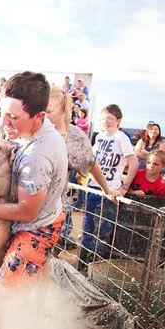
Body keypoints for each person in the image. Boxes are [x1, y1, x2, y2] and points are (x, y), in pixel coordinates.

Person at [0, 72, 67, 293]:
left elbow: (26, 212)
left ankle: (15, 327)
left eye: (13, 116)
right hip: (30, 216)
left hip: (36, 228)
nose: (3, 121)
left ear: (39, 116)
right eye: (3, 112)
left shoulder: (38, 156)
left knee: (5, 297)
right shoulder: (25, 129)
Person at [45, 87, 118, 248]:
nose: (43, 115)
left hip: (52, 210)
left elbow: (91, 164)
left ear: (63, 110)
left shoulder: (74, 136)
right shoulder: (34, 127)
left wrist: (107, 190)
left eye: (48, 110)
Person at [80, 104, 138, 271]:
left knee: (103, 232)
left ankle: (95, 269)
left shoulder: (122, 138)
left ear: (118, 121)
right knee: (87, 228)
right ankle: (82, 265)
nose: (105, 122)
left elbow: (133, 162)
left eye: (110, 118)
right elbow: (91, 160)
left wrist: (125, 187)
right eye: (103, 118)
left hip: (110, 190)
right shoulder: (99, 137)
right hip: (92, 188)